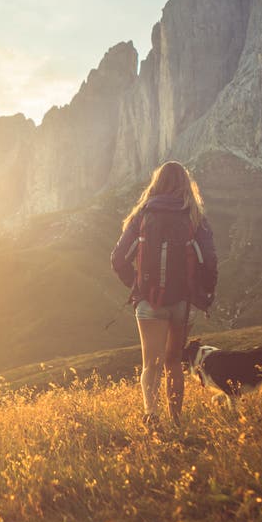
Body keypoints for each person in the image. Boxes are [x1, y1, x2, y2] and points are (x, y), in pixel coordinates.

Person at [111, 161, 217, 427]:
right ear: (186, 184)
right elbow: (210, 262)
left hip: (149, 301)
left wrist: (134, 285)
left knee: (151, 364)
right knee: (173, 362)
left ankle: (152, 417)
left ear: (156, 183)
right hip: (183, 301)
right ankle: (177, 421)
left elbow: (117, 259)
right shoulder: (195, 217)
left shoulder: (142, 215)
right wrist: (204, 292)